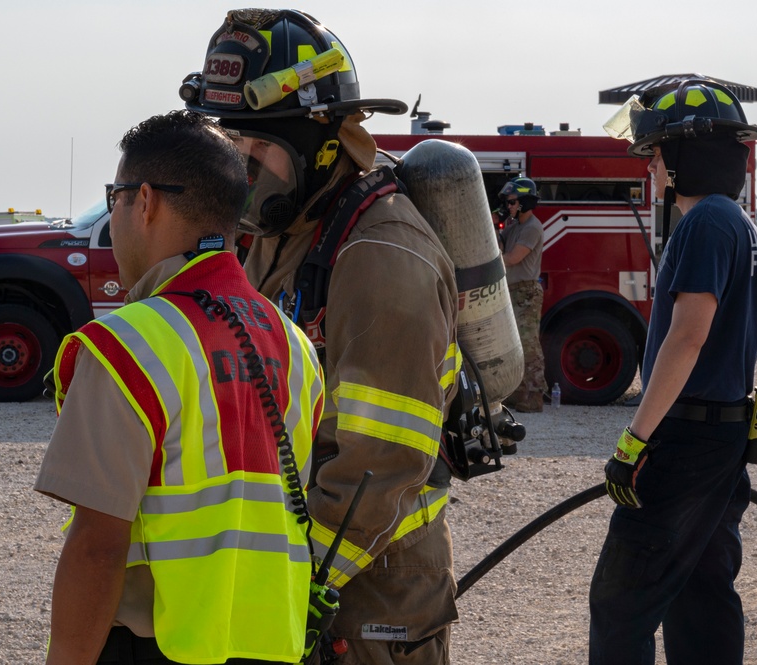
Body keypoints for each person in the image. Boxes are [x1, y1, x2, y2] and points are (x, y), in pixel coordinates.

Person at [179, 9, 461, 663]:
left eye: (257, 148)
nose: (240, 169)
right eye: (230, 144)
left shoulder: (382, 253)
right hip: (304, 575)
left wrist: (298, 579)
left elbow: (382, 458)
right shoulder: (284, 230)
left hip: (370, 604)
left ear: (321, 142)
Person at [35, 110, 324, 665]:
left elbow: (98, 546)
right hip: (272, 647)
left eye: (114, 196)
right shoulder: (294, 347)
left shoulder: (128, 346)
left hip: (155, 648)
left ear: (143, 201)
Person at [590, 79, 757, 664]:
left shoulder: (703, 225)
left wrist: (634, 439)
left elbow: (688, 337)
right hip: (723, 439)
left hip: (684, 442)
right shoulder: (746, 230)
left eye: (657, 153)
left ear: (684, 156)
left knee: (624, 600)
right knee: (702, 593)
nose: (651, 168)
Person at [497, 177, 547, 413]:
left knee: (528, 346)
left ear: (525, 202)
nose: (509, 207)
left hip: (526, 292)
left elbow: (512, 258)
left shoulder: (532, 227)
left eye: (512, 202)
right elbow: (499, 244)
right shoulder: (514, 226)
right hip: (513, 291)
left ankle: (535, 395)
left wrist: (492, 258)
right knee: (514, 346)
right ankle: (519, 394)